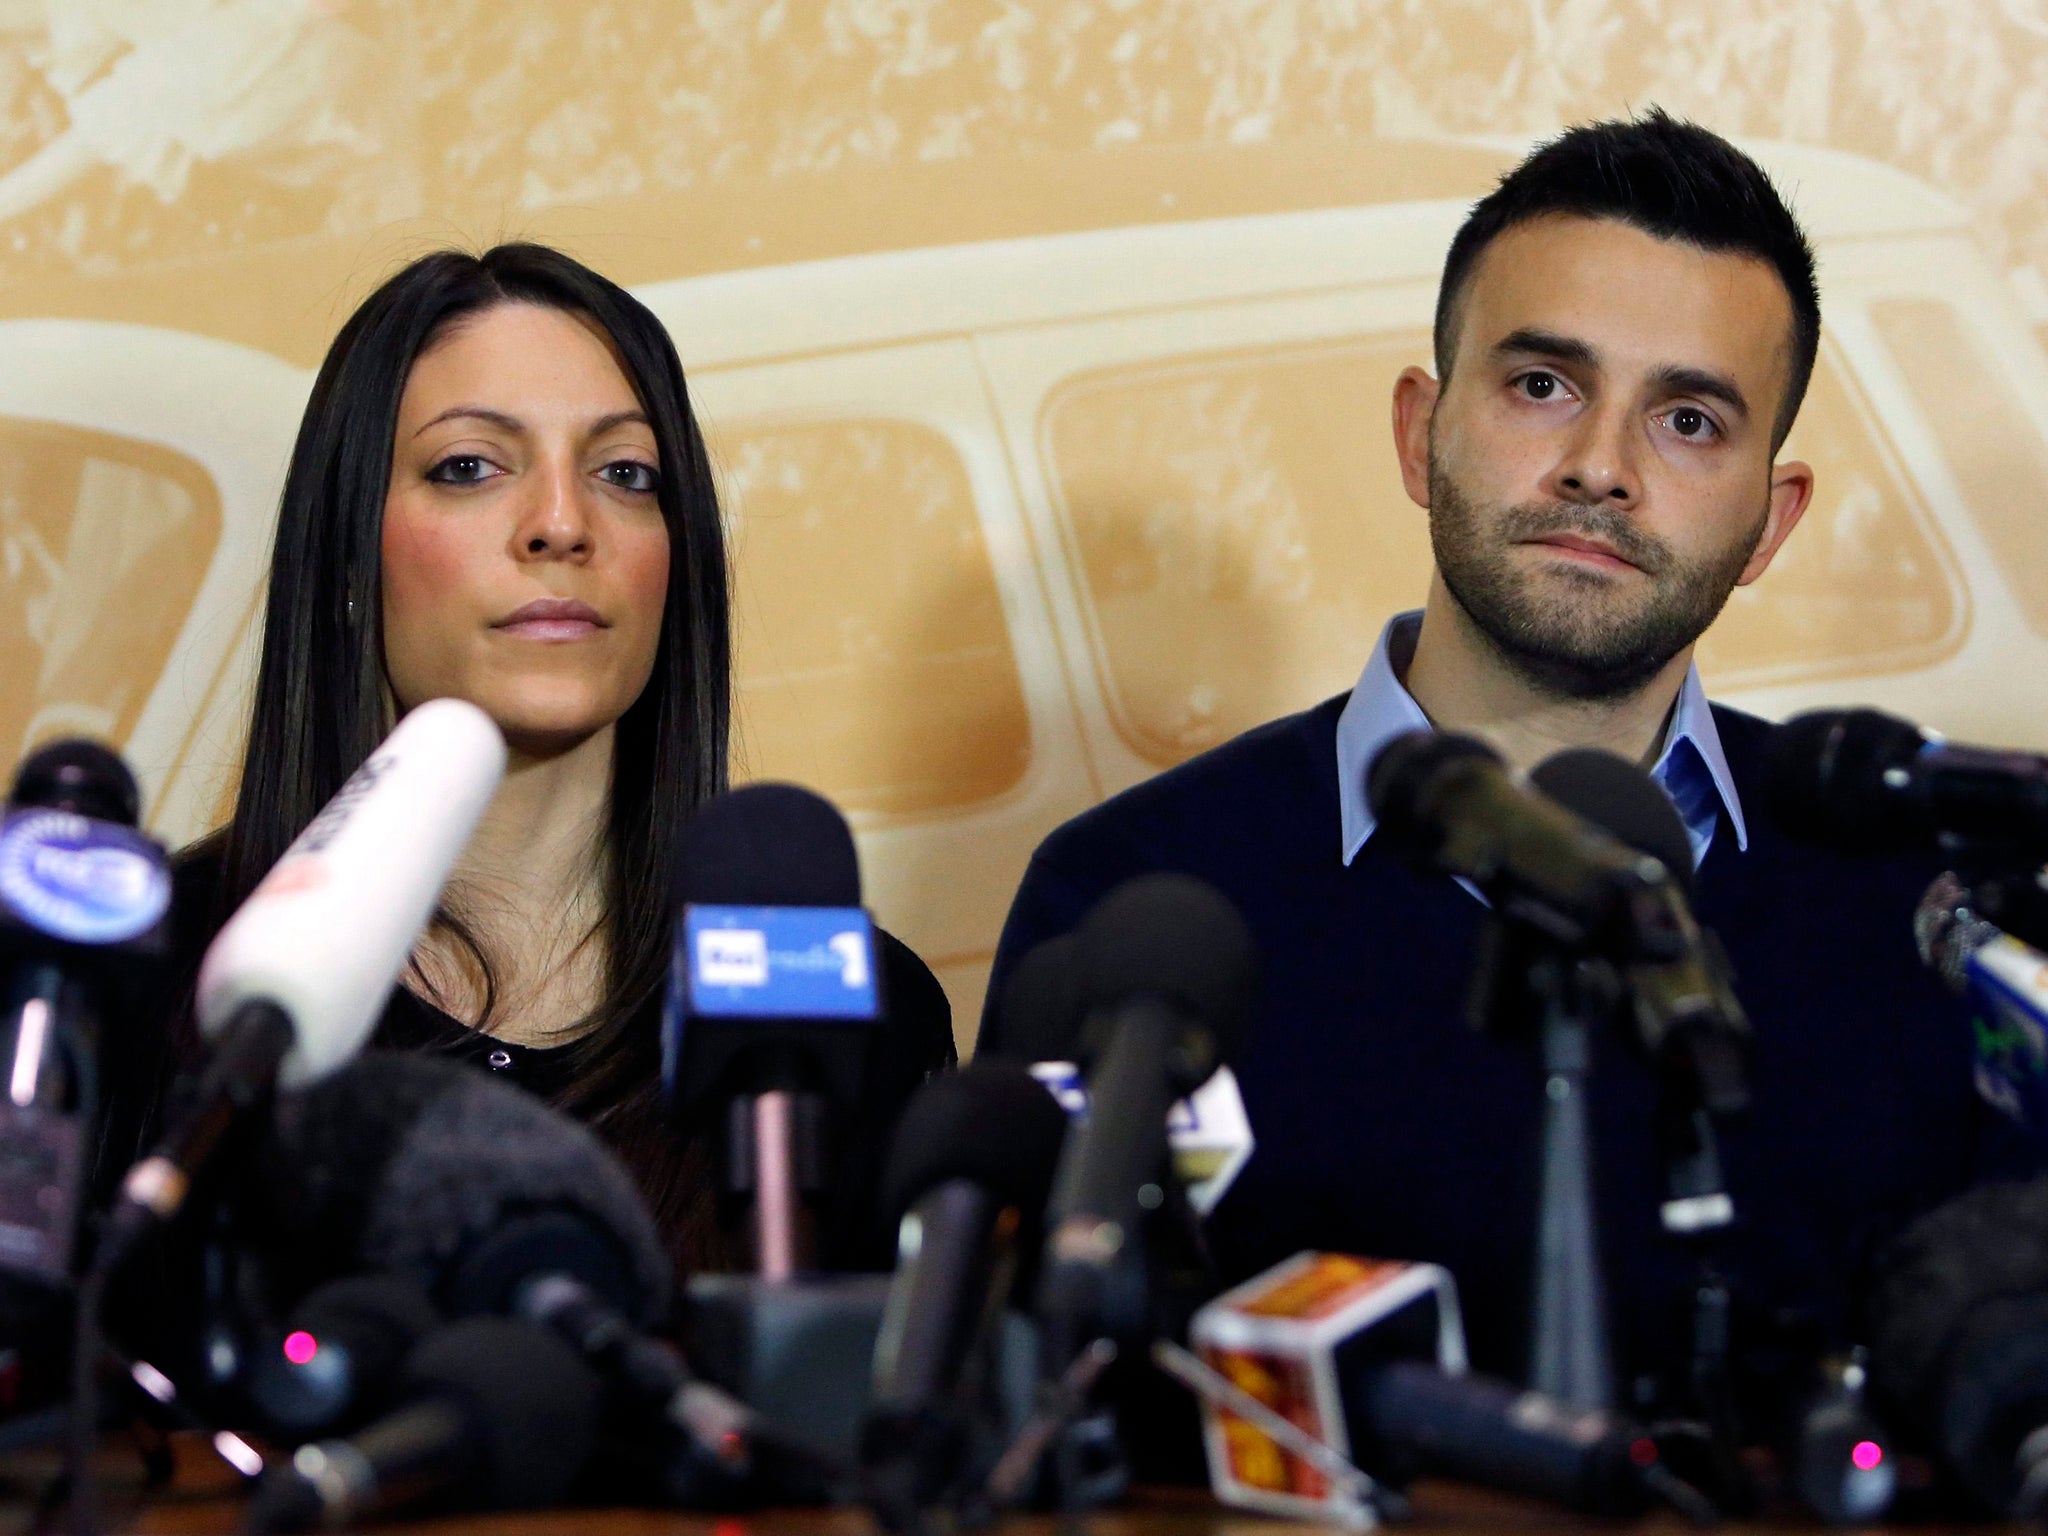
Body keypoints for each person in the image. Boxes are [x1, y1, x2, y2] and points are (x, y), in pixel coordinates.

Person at [981, 113, 2038, 1427]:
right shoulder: (1135, 901)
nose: (1601, 467)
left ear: (1772, 522)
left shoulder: (1921, 911)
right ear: (1421, 432)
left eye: (1691, 420)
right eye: (1543, 385)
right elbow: (1057, 1415)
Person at [106, 242, 953, 1280]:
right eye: (469, 467)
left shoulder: (847, 1013)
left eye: (623, 474)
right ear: (346, 553)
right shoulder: (148, 985)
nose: (562, 523)